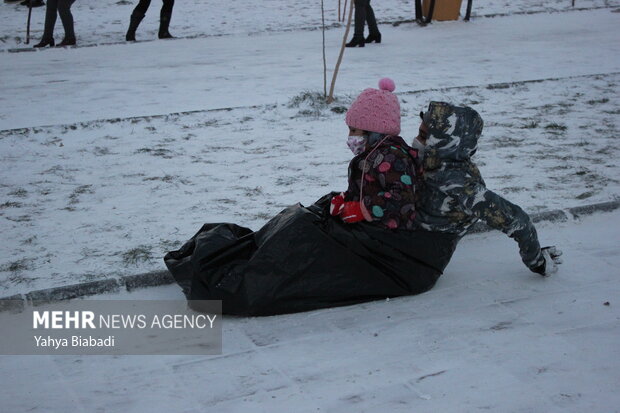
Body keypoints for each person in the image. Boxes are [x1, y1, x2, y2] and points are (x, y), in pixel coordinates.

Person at [165, 79, 459, 316]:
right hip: (372, 228)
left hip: (386, 242)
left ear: (374, 130)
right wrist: (346, 202)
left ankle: (249, 280)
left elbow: (399, 204)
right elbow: (367, 189)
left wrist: (363, 210)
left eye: (355, 129)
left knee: (306, 240)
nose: (350, 136)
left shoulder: (391, 157)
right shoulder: (375, 153)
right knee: (300, 226)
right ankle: (254, 255)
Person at [412, 101, 563, 276]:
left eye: (424, 137)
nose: (417, 141)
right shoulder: (431, 165)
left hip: (419, 263)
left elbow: (517, 220)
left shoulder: (460, 185)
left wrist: (536, 260)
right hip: (402, 244)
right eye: (419, 134)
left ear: (446, 144)